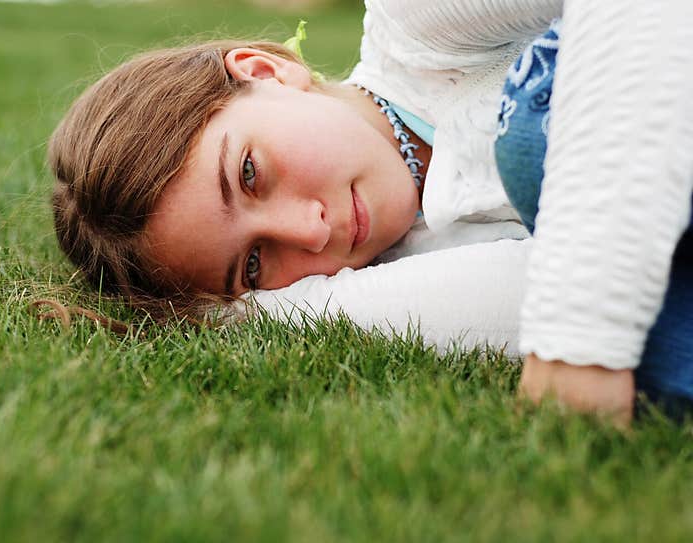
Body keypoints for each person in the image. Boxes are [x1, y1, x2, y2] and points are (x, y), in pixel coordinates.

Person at [47, 0, 692, 421]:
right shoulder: (402, 277)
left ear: (266, 71)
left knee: (528, 140)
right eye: (252, 266)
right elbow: (520, 296)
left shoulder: (421, 23)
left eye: (249, 174)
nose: (310, 231)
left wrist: (582, 335)